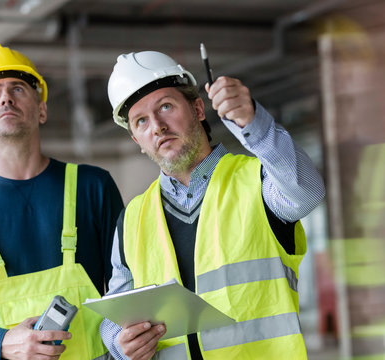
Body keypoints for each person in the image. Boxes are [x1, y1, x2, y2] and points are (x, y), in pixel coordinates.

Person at [100, 50, 325, 360]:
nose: (157, 126)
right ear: (137, 140)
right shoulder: (132, 219)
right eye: (140, 121)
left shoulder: (256, 181)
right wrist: (121, 344)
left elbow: (306, 192)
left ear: (197, 108)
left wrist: (254, 123)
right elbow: (115, 309)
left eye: (166, 107)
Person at [0, 43, 124, 359]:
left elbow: (129, 289)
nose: (6, 97)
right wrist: (3, 343)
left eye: (18, 88)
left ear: (42, 109)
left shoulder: (94, 186)